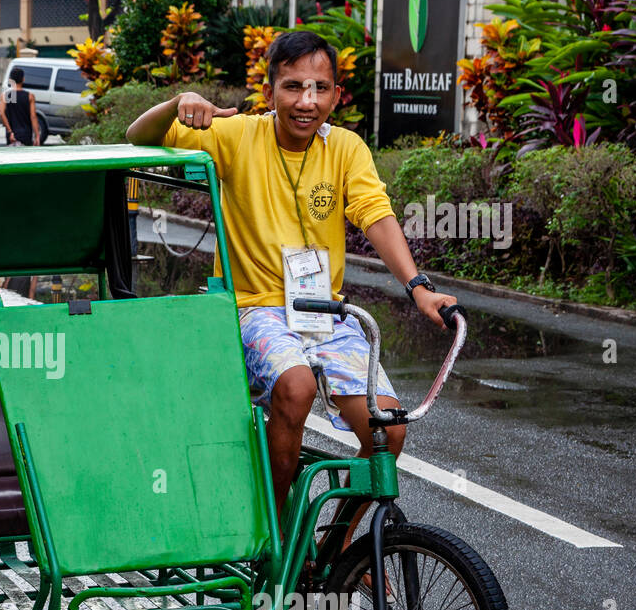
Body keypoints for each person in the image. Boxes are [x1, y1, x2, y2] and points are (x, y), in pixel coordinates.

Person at [126, 30, 457, 523]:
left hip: (325, 314)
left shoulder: (345, 147)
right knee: (296, 386)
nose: (307, 101)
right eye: (293, 87)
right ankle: (275, 533)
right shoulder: (237, 135)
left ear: (337, 95)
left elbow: (375, 213)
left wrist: (419, 289)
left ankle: (340, 549)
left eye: (320, 88)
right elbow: (138, 137)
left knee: (388, 430)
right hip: (252, 310)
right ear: (270, 91)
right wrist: (179, 102)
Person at [0, 67, 38, 147]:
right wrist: (37, 135)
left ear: (11, 80)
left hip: (11, 135)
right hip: (26, 134)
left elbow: (2, 113)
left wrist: (10, 131)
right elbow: (33, 117)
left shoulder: (5, 96)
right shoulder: (30, 96)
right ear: (23, 79)